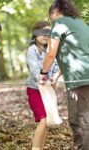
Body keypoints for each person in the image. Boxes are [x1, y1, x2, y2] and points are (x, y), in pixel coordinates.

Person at [39, 0, 89, 149]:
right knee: (76, 118)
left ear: (56, 12)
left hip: (79, 79)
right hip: (82, 75)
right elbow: (76, 52)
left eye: (50, 17)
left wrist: (43, 73)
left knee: (82, 120)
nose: (51, 20)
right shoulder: (80, 24)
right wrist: (58, 75)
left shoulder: (59, 24)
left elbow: (50, 53)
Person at [26, 21, 59, 150]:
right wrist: (40, 77)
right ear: (35, 34)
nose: (46, 36)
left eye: (49, 33)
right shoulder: (32, 49)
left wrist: (53, 78)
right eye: (43, 32)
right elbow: (34, 68)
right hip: (35, 89)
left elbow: (55, 66)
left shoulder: (50, 50)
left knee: (46, 121)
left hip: (47, 90)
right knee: (43, 120)